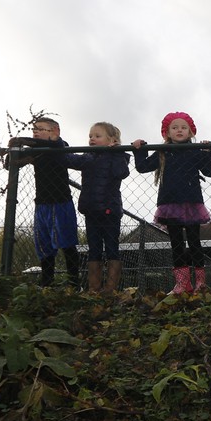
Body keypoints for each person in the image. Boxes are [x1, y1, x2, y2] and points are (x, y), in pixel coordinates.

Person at [132, 111, 211, 294]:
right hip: (170, 204)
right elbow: (143, 167)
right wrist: (139, 150)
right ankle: (182, 283)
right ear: (167, 132)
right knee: (176, 244)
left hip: (192, 203)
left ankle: (200, 282)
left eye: (184, 127)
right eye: (175, 127)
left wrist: (209, 152)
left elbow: (210, 172)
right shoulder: (163, 151)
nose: (179, 130)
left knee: (194, 242)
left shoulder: (195, 151)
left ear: (191, 131)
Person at [7, 117, 80, 287]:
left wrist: (24, 141)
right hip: (41, 204)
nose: (36, 132)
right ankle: (47, 284)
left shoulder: (60, 145)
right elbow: (10, 164)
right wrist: (14, 151)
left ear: (55, 131)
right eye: (34, 129)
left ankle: (74, 284)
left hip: (61, 203)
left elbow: (56, 146)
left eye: (40, 129)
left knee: (67, 244)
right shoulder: (35, 151)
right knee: (44, 246)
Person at [66, 121, 130, 293]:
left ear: (112, 140)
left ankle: (110, 289)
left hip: (110, 211)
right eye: (90, 136)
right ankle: (94, 288)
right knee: (93, 249)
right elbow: (69, 159)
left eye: (97, 136)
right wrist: (60, 145)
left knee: (111, 248)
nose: (92, 139)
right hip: (91, 210)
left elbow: (121, 173)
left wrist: (117, 152)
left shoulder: (118, 156)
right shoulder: (89, 157)